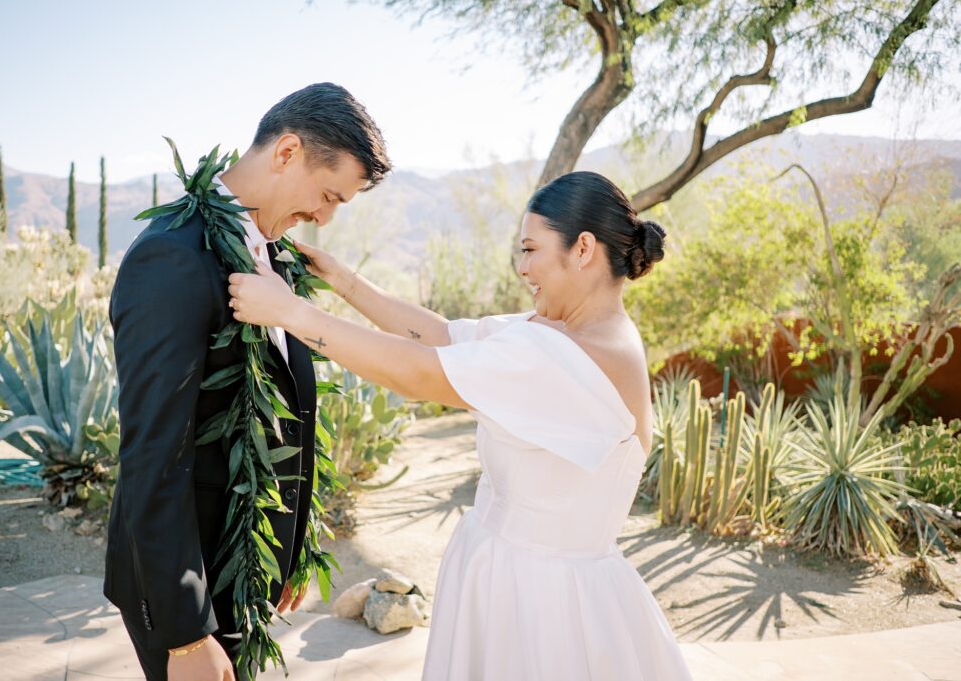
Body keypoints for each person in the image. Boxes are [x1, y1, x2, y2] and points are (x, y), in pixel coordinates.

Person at [228, 170, 694, 679]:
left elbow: (418, 373)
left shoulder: (571, 354)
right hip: (508, 578)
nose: (522, 267)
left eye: (531, 249)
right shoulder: (570, 332)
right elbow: (441, 336)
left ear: (583, 248)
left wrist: (291, 313)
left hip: (543, 606)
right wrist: (341, 279)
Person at [104, 82, 390, 681]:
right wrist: (186, 634)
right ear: (286, 152)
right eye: (328, 194)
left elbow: (288, 413)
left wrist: (283, 552)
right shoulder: (173, 257)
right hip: (194, 584)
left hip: (246, 569)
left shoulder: (276, 256)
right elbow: (155, 454)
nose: (325, 217)